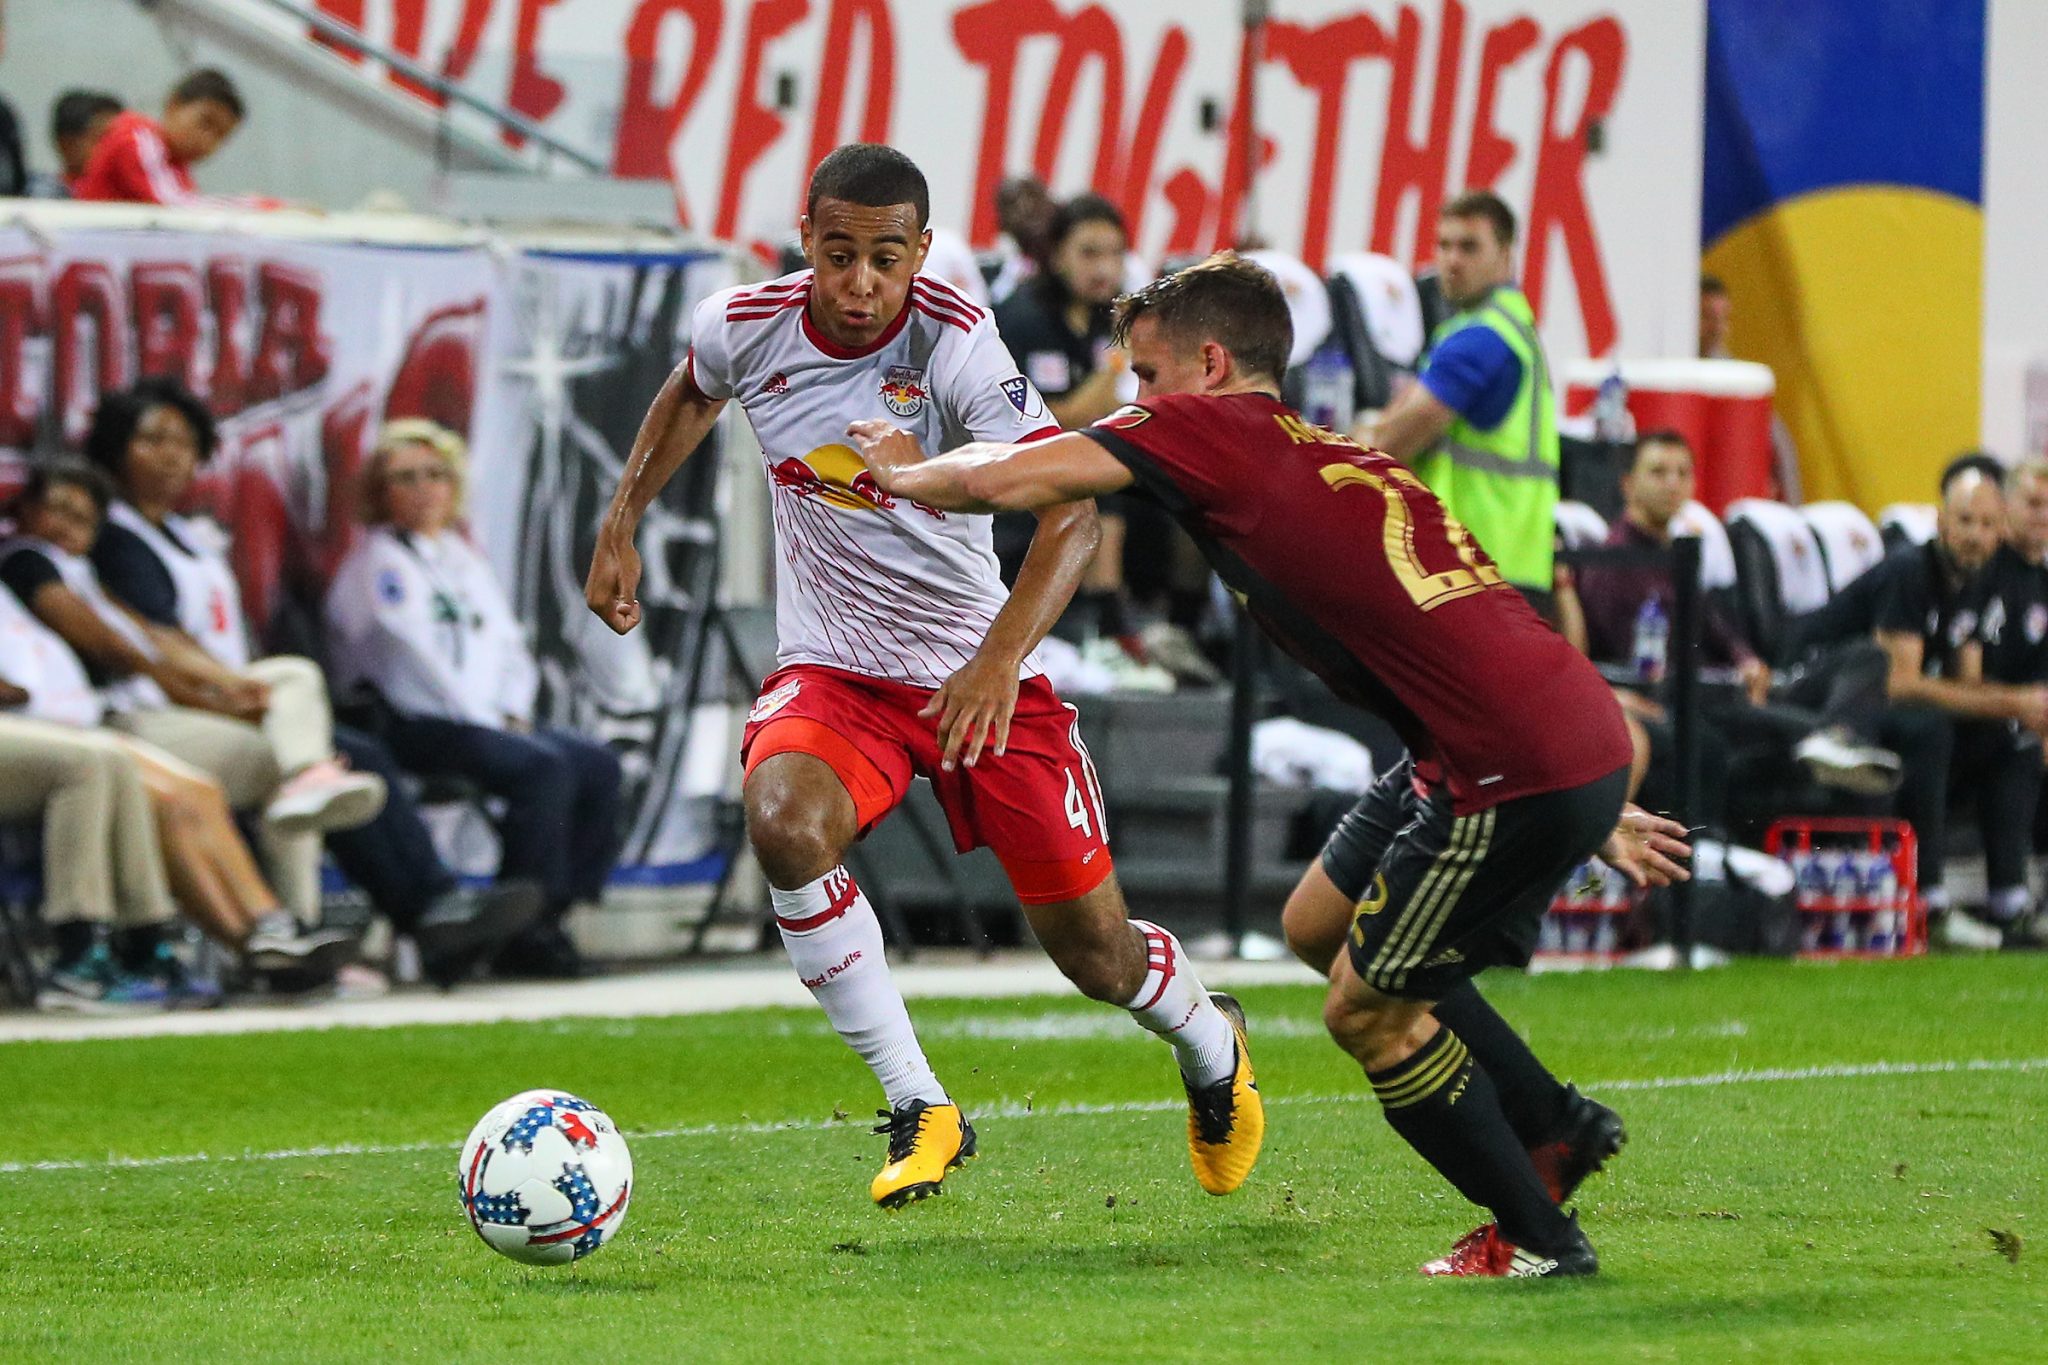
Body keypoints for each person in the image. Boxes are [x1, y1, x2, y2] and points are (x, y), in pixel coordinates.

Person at [845, 252, 1691, 1277]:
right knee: (1317, 925)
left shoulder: (1206, 429)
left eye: (1147, 378)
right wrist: (1589, 792)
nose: (1137, 403)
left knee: (1364, 1012)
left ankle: (1540, 1238)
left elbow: (1006, 478)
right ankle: (1555, 1123)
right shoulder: (1329, 450)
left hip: (1505, 762)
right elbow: (1460, 624)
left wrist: (900, 468)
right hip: (1520, 736)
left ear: (1208, 365)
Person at [585, 144, 1262, 1210]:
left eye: (884, 259)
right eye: (839, 254)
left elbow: (1070, 513)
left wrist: (998, 663)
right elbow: (691, 392)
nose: (860, 284)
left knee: (1096, 957)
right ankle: (919, 1104)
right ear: (805, 238)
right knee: (782, 818)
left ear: (922, 253)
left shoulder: (953, 343)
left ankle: (1207, 1038)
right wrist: (621, 517)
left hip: (974, 680)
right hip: (837, 673)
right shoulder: (744, 323)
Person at [84, 379, 537, 985]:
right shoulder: (113, 538)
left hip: (216, 704)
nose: (170, 454)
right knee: (320, 759)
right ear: (115, 449)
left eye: (184, 441)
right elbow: (157, 643)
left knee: (321, 762)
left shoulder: (187, 535)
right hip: (154, 711)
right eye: (151, 439)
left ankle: (326, 928)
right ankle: (386, 912)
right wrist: (225, 692)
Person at [0, 460, 381, 913]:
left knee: (293, 680)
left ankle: (308, 782)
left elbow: (157, 638)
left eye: (81, 519)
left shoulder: (82, 572)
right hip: (117, 716)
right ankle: (290, 919)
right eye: (56, 509)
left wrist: (231, 683)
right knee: (271, 759)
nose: (65, 526)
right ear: (22, 512)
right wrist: (207, 700)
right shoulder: (28, 561)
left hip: (152, 705)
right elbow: (118, 652)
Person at [327, 419, 619, 979]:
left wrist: (512, 709)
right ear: (379, 493)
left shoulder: (461, 559)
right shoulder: (377, 566)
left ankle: (549, 911)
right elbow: (411, 657)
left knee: (596, 765)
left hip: (485, 720)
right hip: (418, 724)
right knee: (542, 768)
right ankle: (522, 932)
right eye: (405, 478)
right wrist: (485, 722)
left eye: (436, 475)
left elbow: (510, 644)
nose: (424, 488)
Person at [0, 547, 351, 1000]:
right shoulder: (30, 573)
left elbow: (147, 643)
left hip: (65, 723)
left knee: (190, 786)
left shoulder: (38, 592)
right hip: (50, 726)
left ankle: (189, 942)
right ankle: (80, 956)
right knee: (94, 763)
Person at [1795, 456, 2048, 948]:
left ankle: (2010, 901)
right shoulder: (1910, 570)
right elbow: (1900, 682)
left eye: (1986, 525)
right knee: (1930, 726)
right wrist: (2018, 701)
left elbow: (1966, 682)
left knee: (2009, 739)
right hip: (1819, 688)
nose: (1975, 535)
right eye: (1965, 521)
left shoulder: (1974, 581)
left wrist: (2024, 712)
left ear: (1999, 534)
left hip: (1887, 700)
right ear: (1940, 522)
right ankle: (1929, 897)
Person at [1573, 429, 1900, 799]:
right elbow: (1641, 665)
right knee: (1809, 730)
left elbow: (1716, 626)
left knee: (1866, 655)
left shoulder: (1679, 553)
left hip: (1735, 688)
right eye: (1659, 472)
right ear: (1628, 484)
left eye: (1683, 473)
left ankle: (1837, 739)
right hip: (1694, 700)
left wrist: (1747, 661)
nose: (1673, 484)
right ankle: (1829, 740)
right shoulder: (1615, 563)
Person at [1369, 191, 1559, 610]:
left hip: (1476, 576)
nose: (1452, 260)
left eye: (1469, 247)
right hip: (1510, 569)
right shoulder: (1508, 327)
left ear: (1506, 256)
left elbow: (1386, 445)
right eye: (1444, 245)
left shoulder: (1479, 341)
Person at [994, 194, 1140, 645]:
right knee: (1100, 479)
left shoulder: (1103, 321)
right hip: (1008, 476)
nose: (1104, 269)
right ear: (1057, 256)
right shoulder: (1024, 319)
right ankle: (1111, 632)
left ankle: (1179, 626)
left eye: (1115, 254)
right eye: (1089, 253)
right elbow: (1059, 417)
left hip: (1075, 466)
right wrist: (1123, 358)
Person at [72, 68, 269, 207]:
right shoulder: (136, 139)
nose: (207, 141)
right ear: (173, 104)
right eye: (206, 122)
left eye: (220, 136)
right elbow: (177, 208)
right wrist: (254, 205)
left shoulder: (175, 165)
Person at [51, 90, 123, 191]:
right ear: (67, 144)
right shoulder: (45, 200)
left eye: (121, 140)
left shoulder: (136, 198)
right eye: (102, 139)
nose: (116, 149)